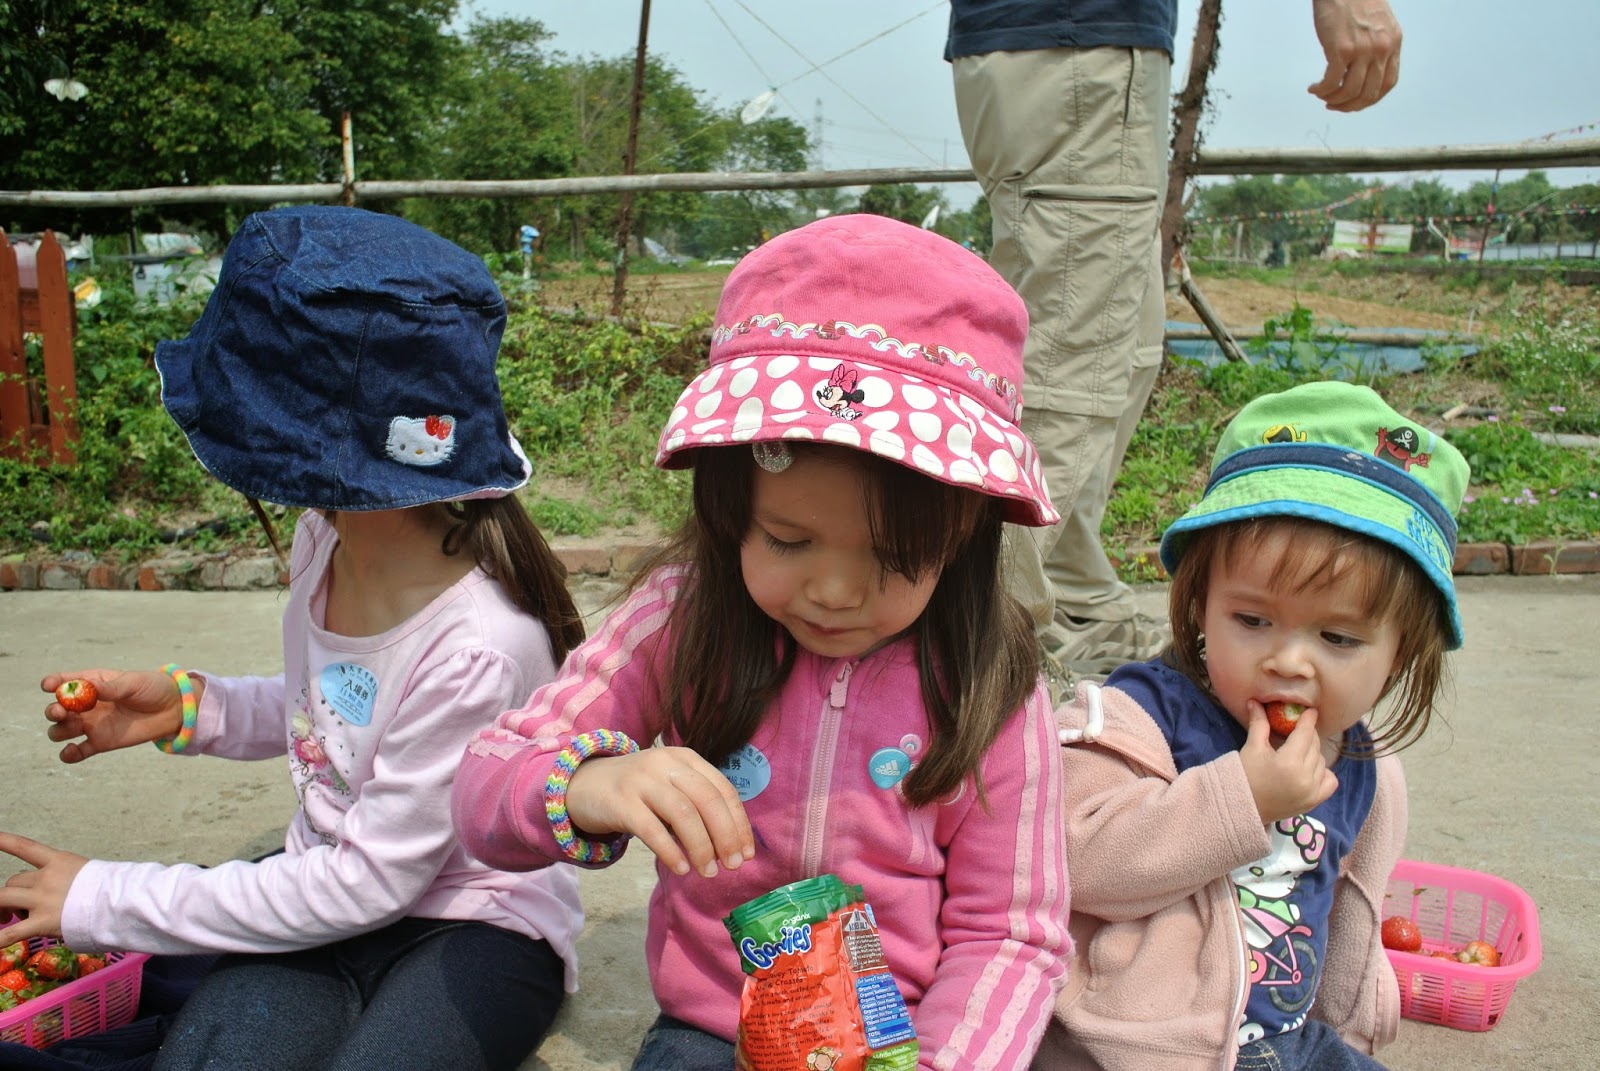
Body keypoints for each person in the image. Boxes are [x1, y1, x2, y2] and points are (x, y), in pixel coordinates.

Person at [451, 213, 1071, 1070]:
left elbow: (1011, 934)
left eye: (895, 555)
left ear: (965, 532)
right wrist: (592, 781)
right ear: (729, 504)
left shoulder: (991, 683)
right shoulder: (683, 618)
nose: (834, 591)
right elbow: (486, 784)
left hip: (903, 1043)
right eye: (786, 540)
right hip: (713, 1027)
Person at [0, 206, 588, 1071]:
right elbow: (338, 713)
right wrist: (192, 707)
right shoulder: (327, 536)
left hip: (472, 923)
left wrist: (110, 894)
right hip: (327, 889)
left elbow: (366, 884)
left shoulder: (480, 645)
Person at [945, 0, 1404, 684]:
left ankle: (1075, 608)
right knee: (1075, 364)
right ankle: (976, 648)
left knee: (1122, 348)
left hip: (1071, 48)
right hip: (1080, 43)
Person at [1042, 380, 1468, 1069]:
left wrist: (1354, 1029)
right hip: (1129, 1049)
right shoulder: (1137, 717)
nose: (1288, 661)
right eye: (1252, 619)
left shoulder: (1366, 769)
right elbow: (1072, 860)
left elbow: (1351, 918)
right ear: (1200, 604)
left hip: (1286, 1045)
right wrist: (1241, 796)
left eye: (1337, 637)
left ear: (1399, 656)